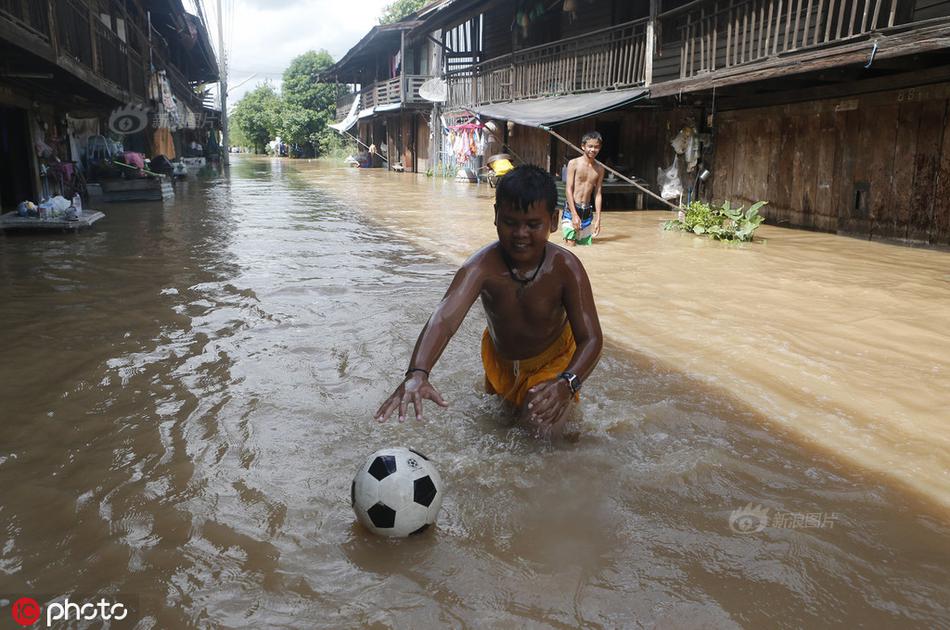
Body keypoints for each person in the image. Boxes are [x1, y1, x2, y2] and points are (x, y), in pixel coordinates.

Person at [374, 165, 603, 438]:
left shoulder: (566, 268)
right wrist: (417, 372)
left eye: (532, 224)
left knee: (537, 434)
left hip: (553, 362)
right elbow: (444, 318)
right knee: (496, 431)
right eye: (510, 222)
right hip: (500, 362)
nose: (520, 233)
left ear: (553, 221)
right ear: (496, 216)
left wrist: (568, 382)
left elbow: (591, 338)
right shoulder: (481, 267)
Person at [563, 131, 606, 246]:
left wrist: (598, 219)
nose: (593, 149)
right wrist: (574, 214)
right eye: (590, 146)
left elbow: (598, 193)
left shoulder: (600, 169)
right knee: (570, 244)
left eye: (596, 147)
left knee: (584, 246)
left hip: (587, 210)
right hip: (571, 208)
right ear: (583, 146)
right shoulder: (574, 163)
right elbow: (568, 189)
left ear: (600, 148)